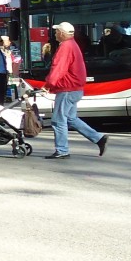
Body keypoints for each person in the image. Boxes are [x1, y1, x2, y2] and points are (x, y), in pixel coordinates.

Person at [42, 21, 108, 160]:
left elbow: (59, 68)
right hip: (75, 88)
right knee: (71, 119)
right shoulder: (73, 44)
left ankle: (62, 150)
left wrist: (48, 85)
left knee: (58, 120)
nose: (55, 34)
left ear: (62, 33)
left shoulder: (65, 47)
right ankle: (99, 138)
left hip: (67, 89)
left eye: (56, 31)